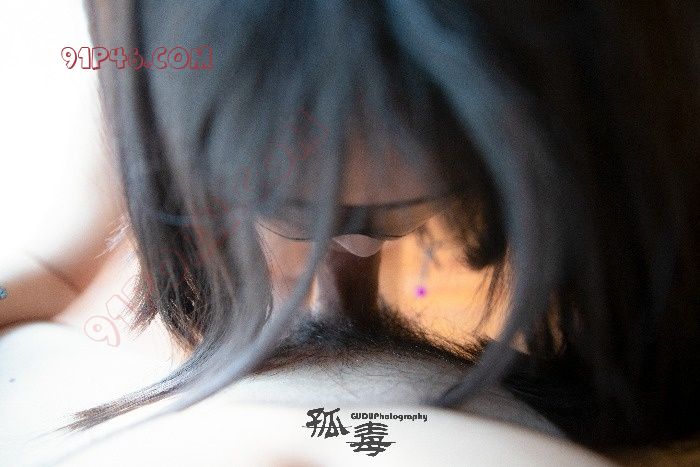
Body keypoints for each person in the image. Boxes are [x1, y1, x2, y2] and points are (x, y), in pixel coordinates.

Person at [2, 0, 698, 465]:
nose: (355, 246)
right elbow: (51, 260)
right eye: (295, 206)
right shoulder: (135, 59)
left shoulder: (642, 91)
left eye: (387, 212)